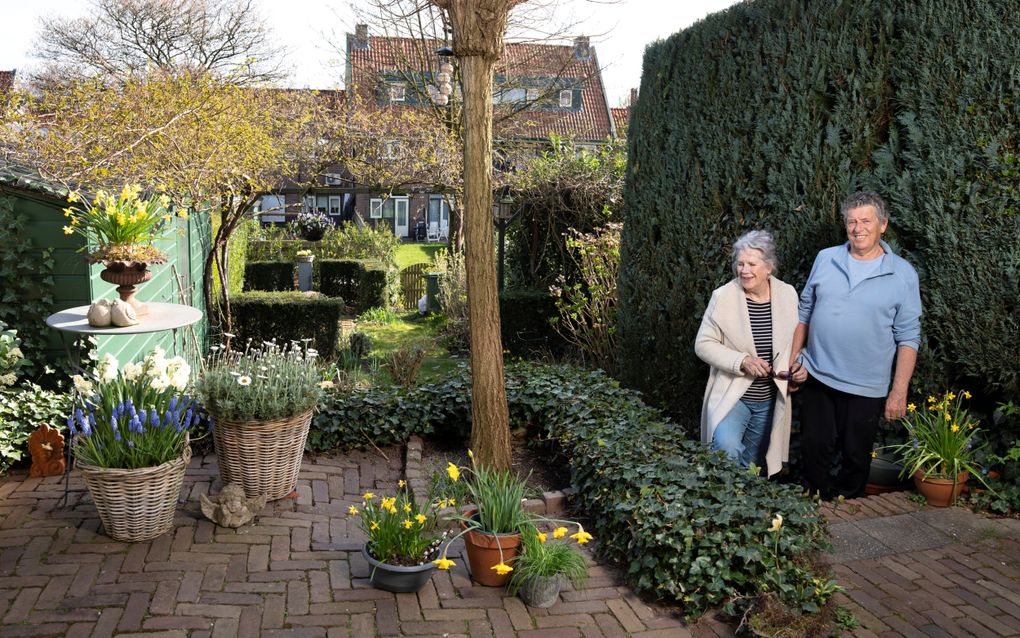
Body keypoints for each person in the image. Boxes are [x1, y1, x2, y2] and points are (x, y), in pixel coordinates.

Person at [791, 191, 922, 499]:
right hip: (818, 373)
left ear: (883, 225)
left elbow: (908, 337)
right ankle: (811, 512)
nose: (858, 228)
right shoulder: (826, 258)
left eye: (866, 221)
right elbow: (804, 312)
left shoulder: (902, 274)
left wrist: (899, 390)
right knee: (813, 450)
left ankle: (849, 517)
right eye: (851, 221)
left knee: (855, 458)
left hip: (867, 385)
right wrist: (794, 359)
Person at [695, 230, 801, 477]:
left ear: (769, 267)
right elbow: (703, 344)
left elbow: (796, 343)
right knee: (726, 449)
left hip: (769, 400)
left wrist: (798, 368)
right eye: (740, 263)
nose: (744, 270)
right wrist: (741, 361)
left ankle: (745, 512)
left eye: (752, 264)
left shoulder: (788, 294)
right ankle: (722, 506)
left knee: (754, 466)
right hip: (734, 396)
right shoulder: (723, 296)